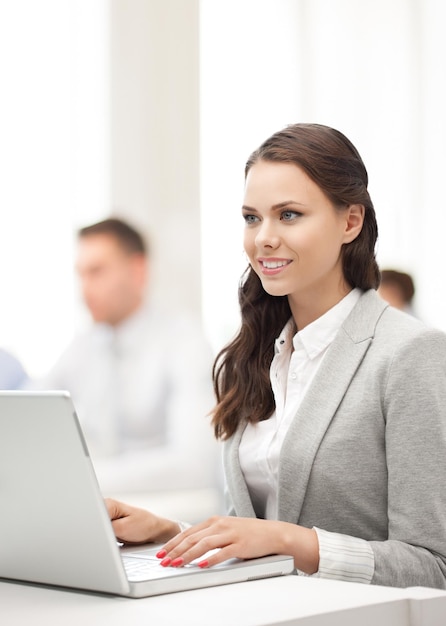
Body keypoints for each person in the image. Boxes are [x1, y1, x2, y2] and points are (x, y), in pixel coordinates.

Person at [105, 124, 446, 589]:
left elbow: (433, 566)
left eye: (288, 215)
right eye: (251, 217)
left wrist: (294, 541)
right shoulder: (255, 355)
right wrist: (171, 534)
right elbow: (258, 535)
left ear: (351, 222)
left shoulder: (410, 354)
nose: (263, 238)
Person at [29, 217, 219, 496]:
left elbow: (195, 465)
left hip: (167, 513)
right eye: (80, 274)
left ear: (137, 270)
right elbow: (30, 409)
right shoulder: (84, 345)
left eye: (97, 272)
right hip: (99, 505)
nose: (84, 289)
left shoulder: (184, 343)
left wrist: (83, 479)